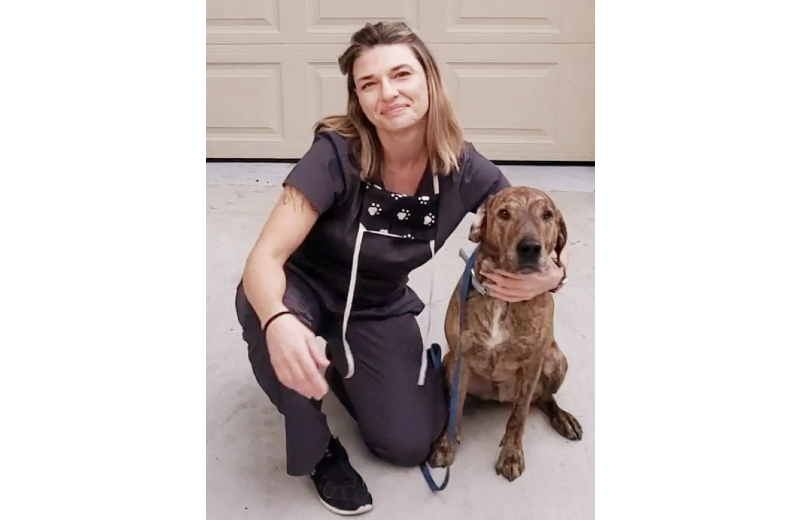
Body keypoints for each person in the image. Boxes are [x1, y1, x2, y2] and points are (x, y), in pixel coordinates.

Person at [234, 21, 568, 516]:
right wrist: (277, 319)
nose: (387, 92)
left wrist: (553, 275)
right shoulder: (335, 154)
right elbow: (263, 260)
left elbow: (532, 220)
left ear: (429, 78)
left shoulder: (462, 167)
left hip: (376, 305)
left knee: (409, 442)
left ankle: (344, 365)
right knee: (274, 326)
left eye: (401, 74)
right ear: (358, 98)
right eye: (369, 83)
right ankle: (320, 450)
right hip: (300, 290)